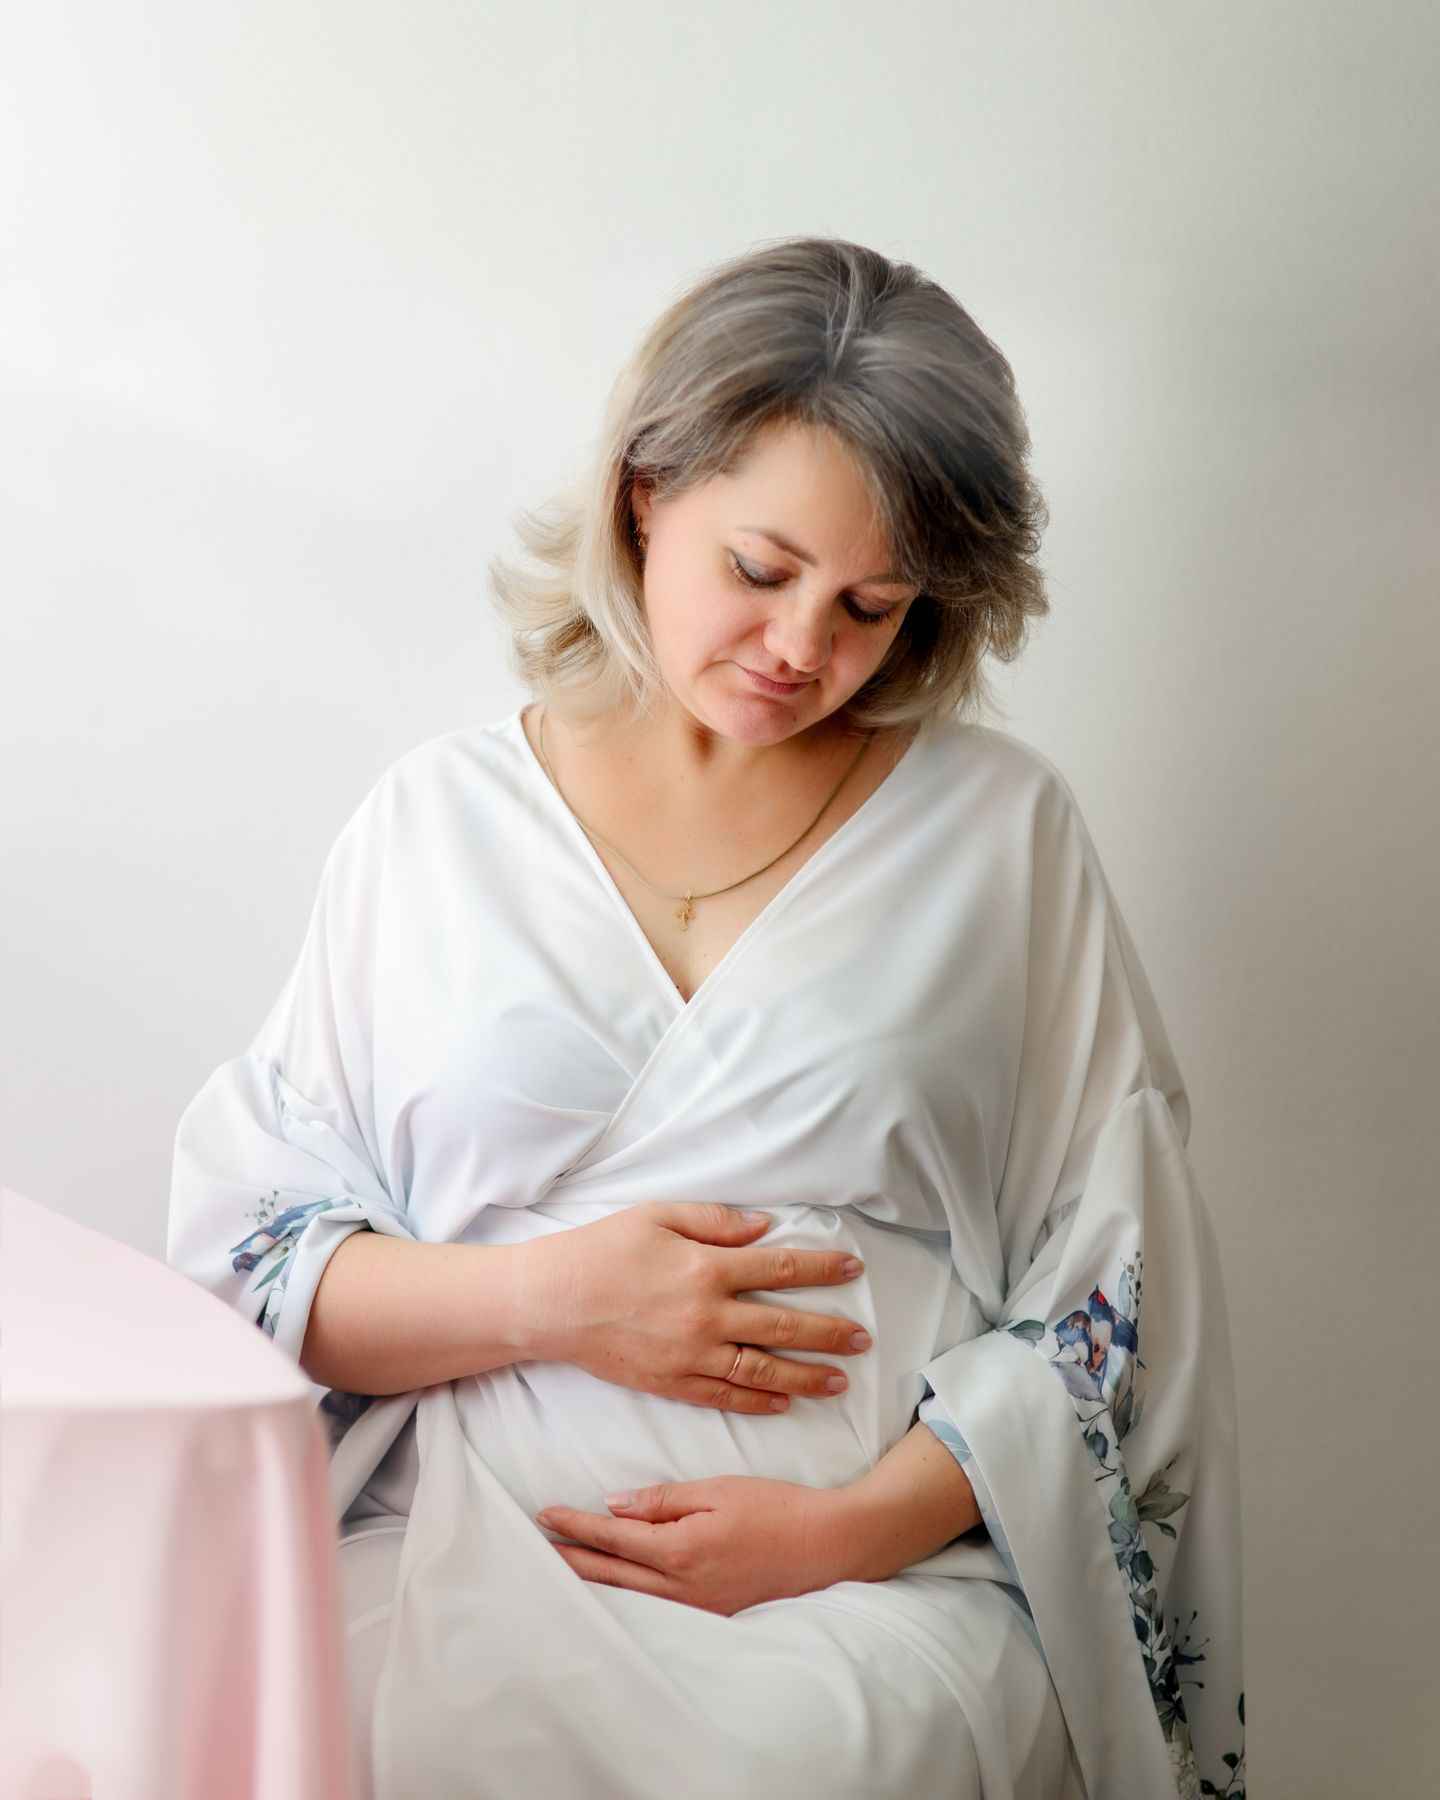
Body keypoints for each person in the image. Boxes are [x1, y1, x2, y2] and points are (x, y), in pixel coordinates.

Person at [167, 236, 1245, 1800]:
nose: (804, 648)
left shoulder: (1000, 834)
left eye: (871, 605)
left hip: (874, 1591)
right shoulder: (436, 826)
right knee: (379, 1731)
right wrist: (550, 1300)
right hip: (463, 1550)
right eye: (761, 570)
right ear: (643, 497)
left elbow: (1116, 1297)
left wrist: (844, 1533)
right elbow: (255, 1262)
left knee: (822, 1759)